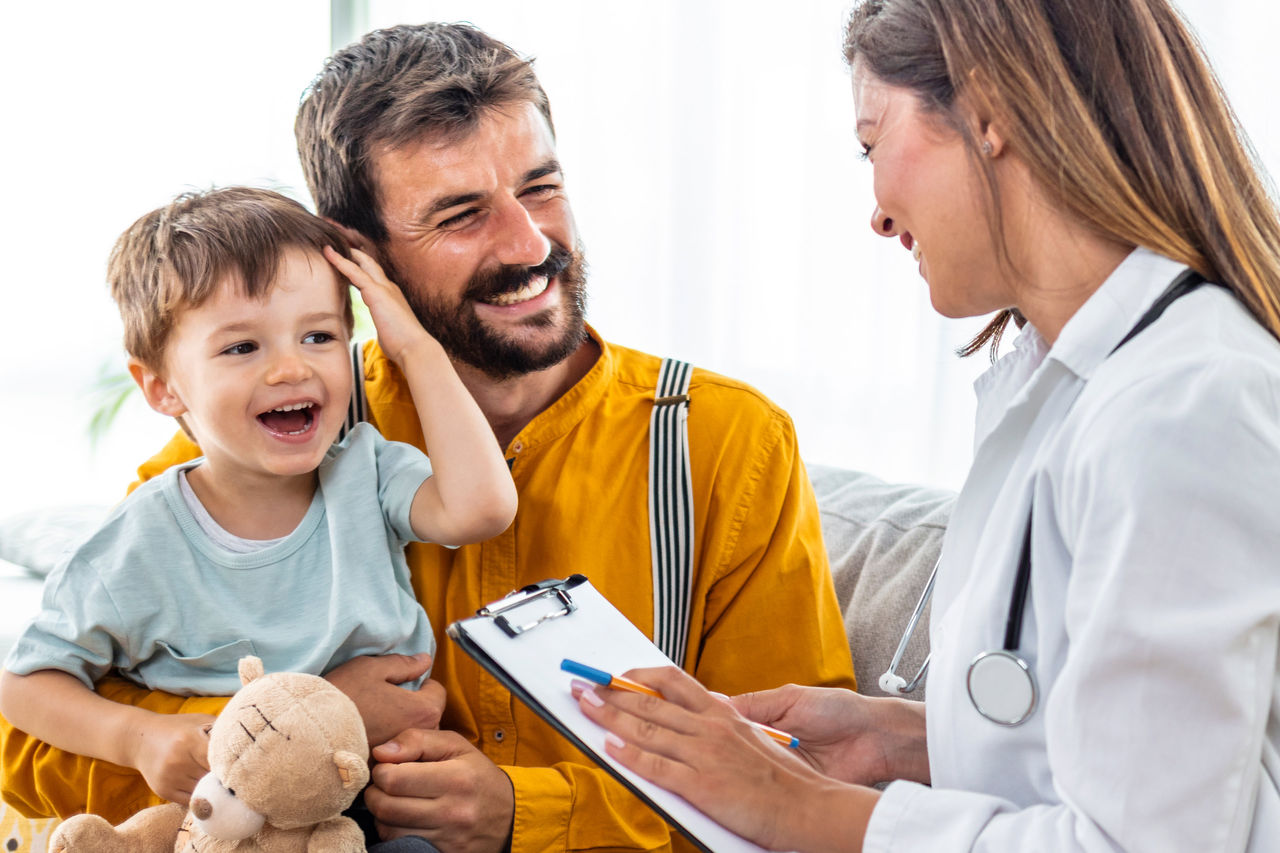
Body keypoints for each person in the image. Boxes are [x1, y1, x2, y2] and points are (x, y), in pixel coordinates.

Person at [0, 23, 857, 853]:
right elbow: (25, 751)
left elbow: (810, 777)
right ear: (360, 262)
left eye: (541, 185)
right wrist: (295, 729)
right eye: (460, 214)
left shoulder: (726, 443)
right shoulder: (260, 442)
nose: (529, 242)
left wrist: (530, 811)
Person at [574, 1, 1280, 851]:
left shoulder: (1187, 404)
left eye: (872, 145)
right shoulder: (1075, 384)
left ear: (988, 116)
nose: (875, 210)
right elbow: (1115, 752)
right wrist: (901, 740)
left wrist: (795, 806)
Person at [0, 187, 517, 853]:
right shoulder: (140, 540)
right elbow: (24, 682)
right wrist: (138, 737)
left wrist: (414, 347)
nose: (291, 365)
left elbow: (484, 507)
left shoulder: (367, 470)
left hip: (376, 815)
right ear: (163, 388)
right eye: (242, 347)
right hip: (220, 826)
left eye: (319, 335)